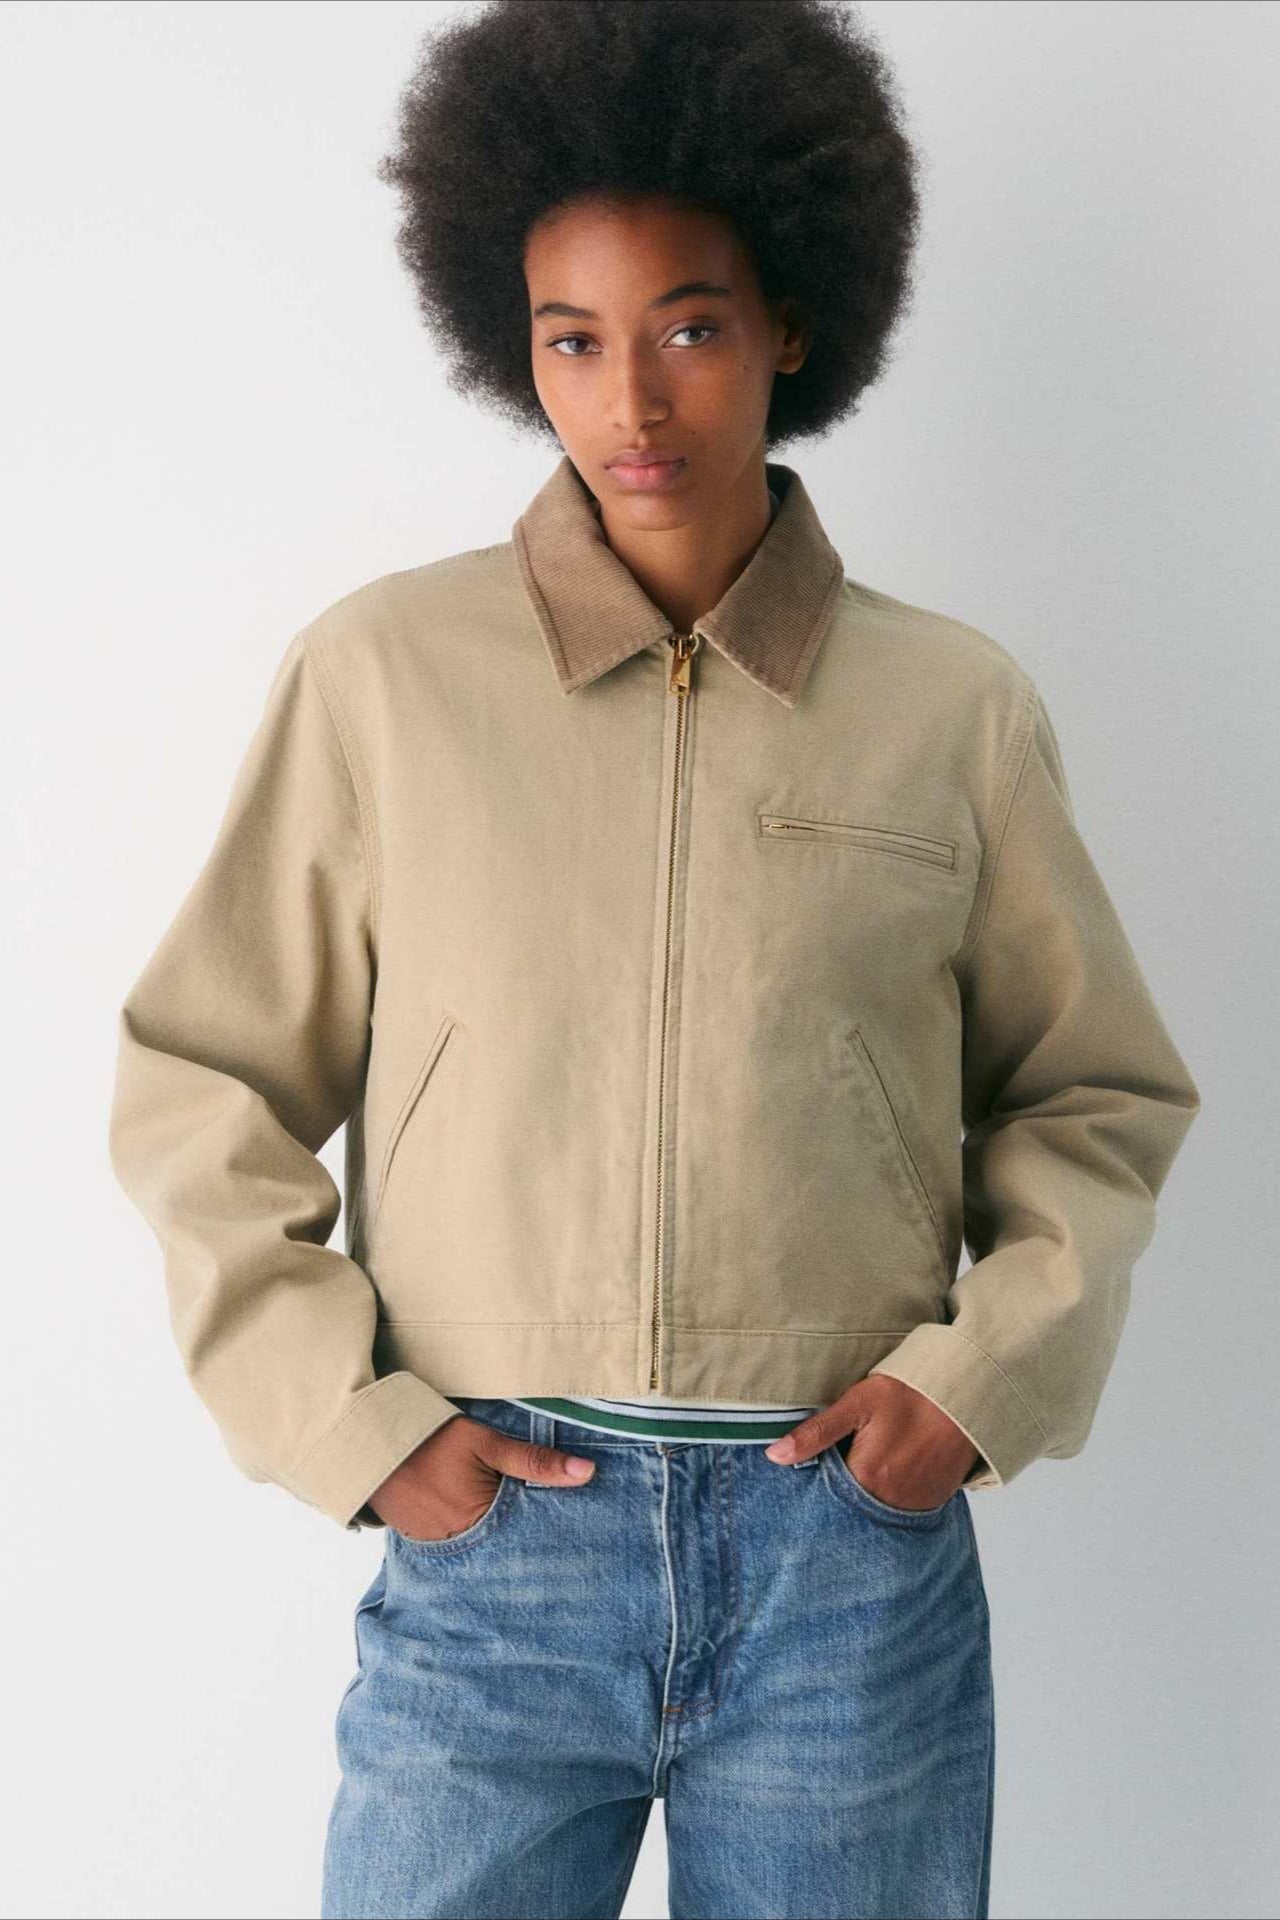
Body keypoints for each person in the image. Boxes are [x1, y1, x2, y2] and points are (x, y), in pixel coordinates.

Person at [106, 3, 1202, 1916]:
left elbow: (1092, 1092)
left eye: (689, 328)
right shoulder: (385, 679)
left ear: (792, 324)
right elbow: (205, 1079)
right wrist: (349, 1426)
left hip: (841, 1564)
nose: (632, 401)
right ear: (511, 342)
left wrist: (982, 1383)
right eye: (573, 339)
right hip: (496, 1553)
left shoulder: (952, 709)